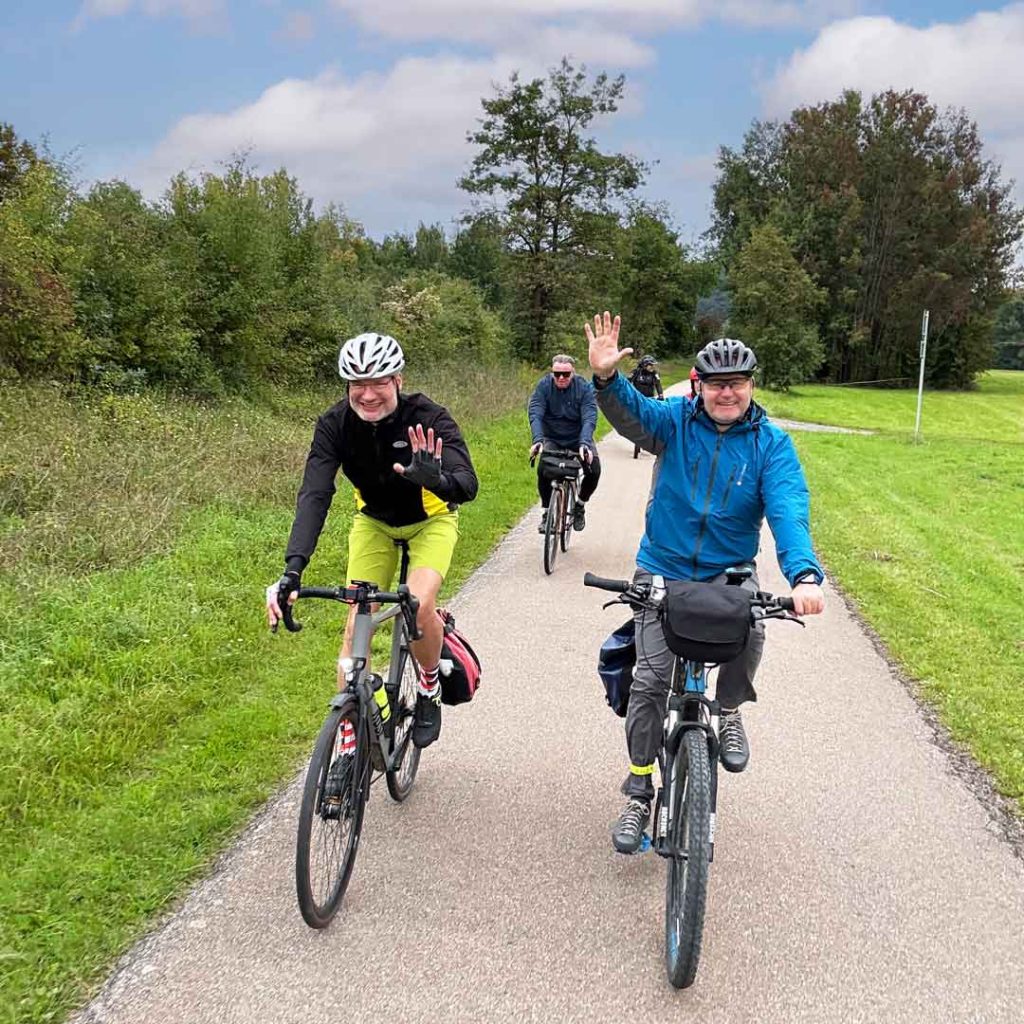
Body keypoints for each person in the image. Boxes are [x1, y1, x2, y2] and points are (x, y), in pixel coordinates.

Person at [585, 312, 826, 854]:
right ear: (699, 385)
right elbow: (633, 415)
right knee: (649, 681)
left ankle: (730, 707)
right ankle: (639, 787)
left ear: (751, 386)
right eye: (716, 383)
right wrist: (605, 379)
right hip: (664, 568)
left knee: (754, 631)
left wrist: (804, 575)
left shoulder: (771, 446)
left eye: (736, 383)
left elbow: (789, 512)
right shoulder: (674, 422)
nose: (727, 393)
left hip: (727, 572)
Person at [265, 332, 479, 749]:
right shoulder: (335, 425)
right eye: (356, 385)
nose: (367, 395)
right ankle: (348, 739)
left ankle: (430, 685)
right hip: (374, 523)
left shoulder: (429, 416)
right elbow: (315, 494)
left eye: (378, 381)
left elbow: (467, 485)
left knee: (418, 607)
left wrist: (438, 480)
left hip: (430, 522)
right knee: (356, 620)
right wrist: (294, 568)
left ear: (397, 380)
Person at [528, 354, 600, 533]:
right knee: (543, 469)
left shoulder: (583, 388)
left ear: (572, 373)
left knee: (594, 470)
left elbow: (589, 417)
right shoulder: (544, 386)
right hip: (552, 437)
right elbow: (535, 412)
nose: (561, 378)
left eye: (566, 374)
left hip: (578, 438)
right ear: (552, 373)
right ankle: (546, 513)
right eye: (557, 373)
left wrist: (585, 443)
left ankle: (580, 506)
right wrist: (538, 440)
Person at [627, 355, 665, 457]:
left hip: (649, 399)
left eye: (653, 365)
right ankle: (635, 435)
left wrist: (661, 395)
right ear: (644, 365)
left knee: (651, 420)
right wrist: (628, 393)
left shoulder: (654, 374)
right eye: (650, 365)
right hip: (637, 399)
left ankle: (648, 440)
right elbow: (627, 382)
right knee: (633, 419)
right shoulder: (636, 372)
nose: (652, 367)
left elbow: (658, 385)